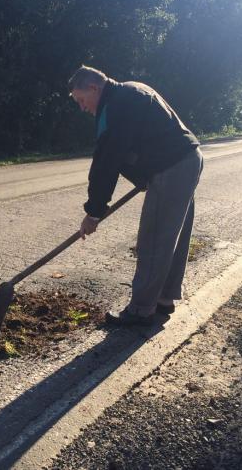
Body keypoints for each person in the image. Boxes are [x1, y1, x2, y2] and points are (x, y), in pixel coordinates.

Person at [68, 65, 203, 325]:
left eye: (81, 100)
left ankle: (141, 310)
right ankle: (163, 300)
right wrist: (143, 177)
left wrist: (94, 213)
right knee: (171, 237)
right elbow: (145, 140)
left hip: (172, 168)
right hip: (186, 161)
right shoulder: (131, 91)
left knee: (154, 239)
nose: (82, 108)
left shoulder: (116, 105)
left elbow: (106, 163)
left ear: (94, 88)